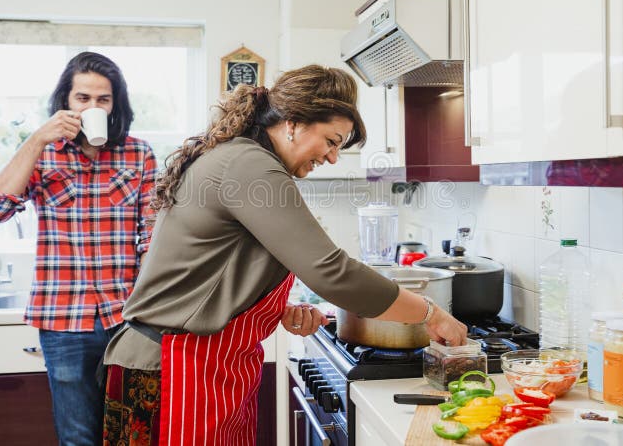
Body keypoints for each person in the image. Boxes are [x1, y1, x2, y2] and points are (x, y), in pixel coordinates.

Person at [101, 64, 468, 446]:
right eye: (331, 140)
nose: (331, 157)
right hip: (169, 368)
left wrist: (276, 308)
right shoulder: (249, 164)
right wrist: (430, 313)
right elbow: (332, 272)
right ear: (293, 123)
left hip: (198, 364)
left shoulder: (243, 159)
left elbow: (218, 267)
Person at [0, 52, 157, 446]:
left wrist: (146, 311)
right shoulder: (42, 153)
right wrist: (38, 138)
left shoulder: (139, 153)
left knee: (132, 436)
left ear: (115, 105)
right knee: (78, 439)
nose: (92, 107)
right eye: (83, 98)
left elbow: (153, 237)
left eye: (103, 100)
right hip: (62, 319)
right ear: (66, 101)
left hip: (127, 316)